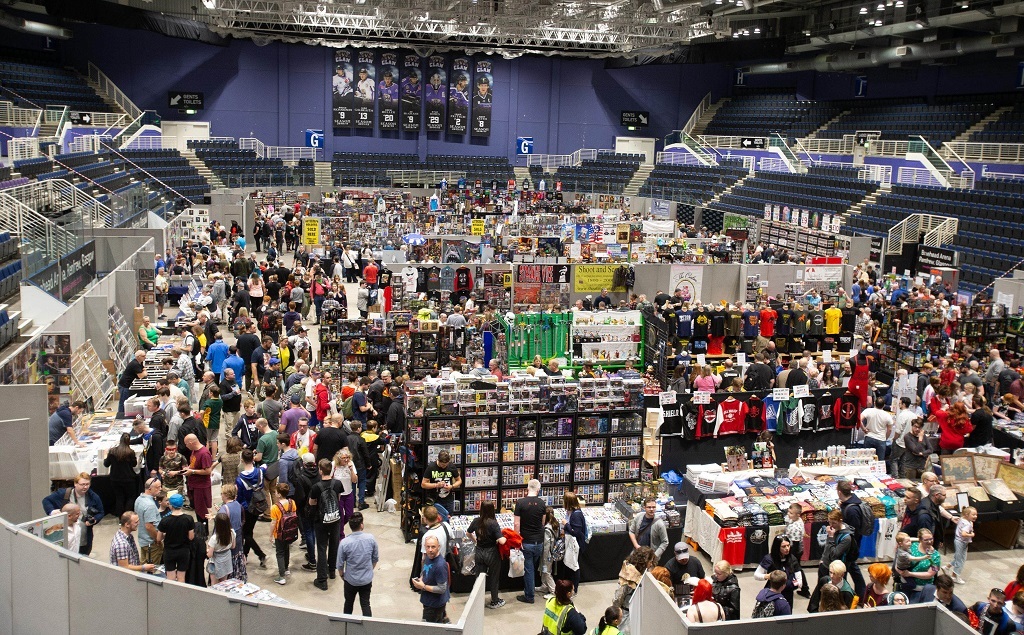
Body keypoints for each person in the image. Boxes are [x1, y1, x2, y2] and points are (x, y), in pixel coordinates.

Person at [42, 471, 104, 556]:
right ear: (75, 483)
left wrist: (94, 519)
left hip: (83, 535)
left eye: (87, 484)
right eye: (82, 484)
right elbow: (46, 501)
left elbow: (101, 512)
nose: (85, 487)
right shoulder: (64, 494)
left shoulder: (93, 497)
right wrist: (52, 512)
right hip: (65, 533)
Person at [809, 510, 856, 612]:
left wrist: (830, 537)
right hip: (825, 565)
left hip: (836, 568)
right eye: (829, 522)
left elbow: (835, 554)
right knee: (822, 590)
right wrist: (822, 559)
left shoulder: (846, 538)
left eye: (833, 523)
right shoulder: (833, 530)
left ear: (840, 521)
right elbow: (827, 547)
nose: (831, 525)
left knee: (833, 592)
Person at [309, 458, 345, 591]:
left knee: (322, 548)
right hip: (335, 518)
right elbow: (339, 498)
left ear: (320, 470)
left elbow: (312, 503)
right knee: (334, 544)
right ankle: (332, 571)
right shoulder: (337, 483)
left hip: (321, 520)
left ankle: (322, 580)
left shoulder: (316, 487)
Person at [468, 500, 508, 609]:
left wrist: (475, 541)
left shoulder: (476, 521)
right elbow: (502, 541)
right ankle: (494, 601)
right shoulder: (493, 523)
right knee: (494, 578)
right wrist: (505, 536)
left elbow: (468, 533)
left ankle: (476, 601)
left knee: (479, 579)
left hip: (479, 552)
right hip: (492, 553)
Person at [337, 511, 378, 616]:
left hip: (350, 580)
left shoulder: (344, 543)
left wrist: (343, 575)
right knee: (365, 604)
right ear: (362, 525)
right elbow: (375, 559)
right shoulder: (371, 539)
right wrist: (368, 570)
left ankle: (346, 626)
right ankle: (368, 628)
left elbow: (340, 564)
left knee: (348, 603)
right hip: (366, 580)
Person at [514, 478, 546, 605]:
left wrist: (517, 540)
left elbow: (516, 524)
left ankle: (529, 595)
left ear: (527, 488)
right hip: (539, 541)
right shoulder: (542, 504)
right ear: (538, 490)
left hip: (526, 541)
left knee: (529, 569)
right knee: (533, 566)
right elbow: (543, 523)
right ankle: (530, 590)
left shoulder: (520, 503)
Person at [235, 448, 269, 569]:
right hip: (259, 505)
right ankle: (245, 555)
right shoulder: (260, 472)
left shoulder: (240, 480)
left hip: (247, 509)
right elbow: (265, 467)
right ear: (252, 459)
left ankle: (261, 554)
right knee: (249, 531)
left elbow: (239, 498)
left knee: (246, 533)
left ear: (242, 460)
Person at [836, 480, 869, 596]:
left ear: (839, 492)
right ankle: (861, 593)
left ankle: (844, 594)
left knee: (844, 569)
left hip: (850, 545)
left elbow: (854, 530)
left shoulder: (852, 510)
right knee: (852, 567)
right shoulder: (849, 504)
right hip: (849, 544)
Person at [753, 535, 802, 609]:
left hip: (788, 594)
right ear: (777, 547)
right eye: (783, 546)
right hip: (772, 593)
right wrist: (768, 576)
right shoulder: (769, 559)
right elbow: (756, 575)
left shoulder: (792, 558)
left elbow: (799, 578)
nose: (787, 548)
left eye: (788, 545)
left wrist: (795, 584)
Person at [157, 494, 194, 582]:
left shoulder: (165, 520)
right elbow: (191, 537)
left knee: (170, 578)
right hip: (183, 551)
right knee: (181, 577)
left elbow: (158, 538)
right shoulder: (189, 519)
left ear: (171, 505)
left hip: (169, 551)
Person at [414, 534, 450, 623]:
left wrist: (423, 586)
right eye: (428, 547)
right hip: (429, 602)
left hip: (434, 605)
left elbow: (442, 588)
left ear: (439, 547)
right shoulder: (428, 557)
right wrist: (421, 578)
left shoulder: (440, 565)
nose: (430, 550)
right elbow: (425, 571)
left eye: (433, 547)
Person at [103, 432, 139, 517]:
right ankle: (128, 516)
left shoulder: (112, 451)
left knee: (119, 497)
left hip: (115, 479)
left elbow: (106, 464)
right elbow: (134, 464)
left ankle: (120, 517)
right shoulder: (131, 452)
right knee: (130, 497)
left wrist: (105, 456)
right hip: (129, 479)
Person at [183, 433, 214, 523]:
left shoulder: (204, 453)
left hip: (201, 486)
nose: (186, 446)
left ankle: (204, 531)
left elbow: (208, 471)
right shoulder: (194, 451)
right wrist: (188, 468)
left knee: (202, 511)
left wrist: (192, 471)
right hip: (194, 484)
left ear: (191, 442)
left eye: (186, 444)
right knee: (197, 509)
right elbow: (194, 464)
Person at [270, 482, 296, 585]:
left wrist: (270, 535)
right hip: (290, 531)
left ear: (279, 494)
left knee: (279, 552)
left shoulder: (275, 507)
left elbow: (273, 522)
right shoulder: (292, 502)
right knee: (286, 549)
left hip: (279, 533)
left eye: (276, 491)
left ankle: (281, 576)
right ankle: (286, 568)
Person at [562, 491, 588, 593]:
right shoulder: (572, 512)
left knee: (574, 566)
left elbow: (576, 532)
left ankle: (574, 589)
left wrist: (566, 524)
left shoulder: (576, 515)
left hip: (576, 545)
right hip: (572, 544)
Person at [135, 476, 164, 566]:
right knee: (152, 568)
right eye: (158, 487)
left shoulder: (139, 499)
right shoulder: (150, 505)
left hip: (143, 540)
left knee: (144, 565)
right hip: (152, 542)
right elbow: (149, 526)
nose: (160, 489)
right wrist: (157, 539)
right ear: (150, 489)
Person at [206, 512, 236, 585]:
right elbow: (233, 546)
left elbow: (209, 555)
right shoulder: (232, 532)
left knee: (214, 583)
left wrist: (206, 550)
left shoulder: (214, 538)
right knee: (224, 582)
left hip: (216, 561)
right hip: (227, 559)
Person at [951, 505, 977, 584]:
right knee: (960, 560)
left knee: (958, 557)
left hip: (960, 541)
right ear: (966, 515)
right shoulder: (967, 524)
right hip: (961, 542)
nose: (975, 516)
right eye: (973, 515)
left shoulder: (962, 519)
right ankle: (955, 577)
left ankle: (948, 567)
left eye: (976, 514)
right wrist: (971, 535)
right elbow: (963, 534)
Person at [540, 506, 560, 598]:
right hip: (552, 553)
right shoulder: (556, 525)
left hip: (548, 554)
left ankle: (553, 591)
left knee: (547, 572)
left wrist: (544, 557)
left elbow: (546, 545)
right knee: (545, 570)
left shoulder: (547, 529)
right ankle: (544, 586)